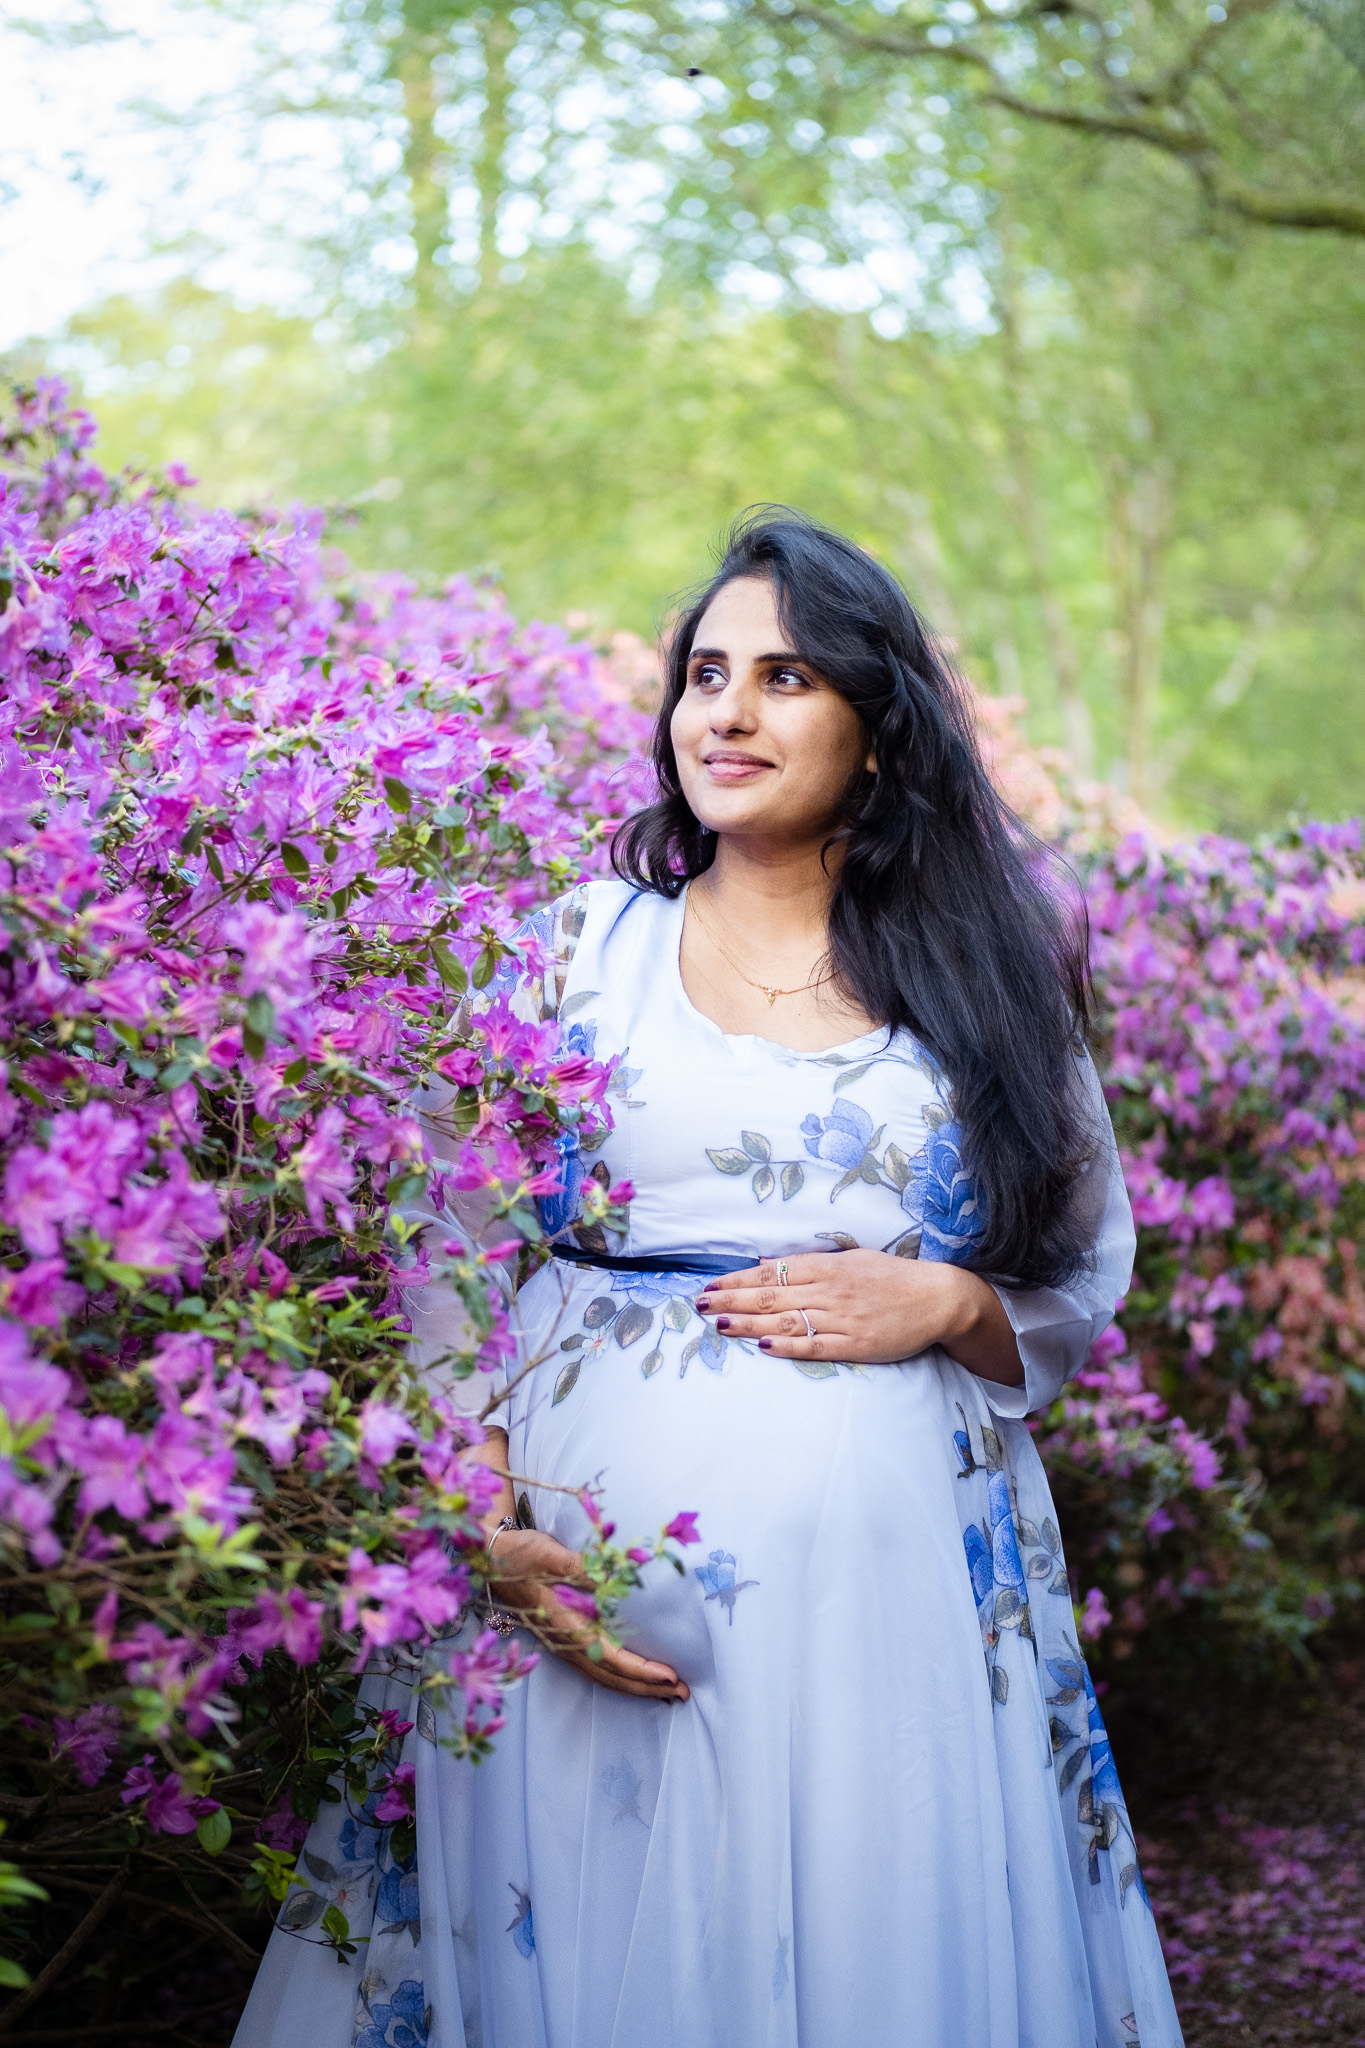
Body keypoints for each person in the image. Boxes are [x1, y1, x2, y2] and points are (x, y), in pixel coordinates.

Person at [234, 510, 1183, 2048]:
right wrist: (485, 1522)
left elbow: (1080, 1258)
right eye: (704, 673)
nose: (726, 713)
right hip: (565, 1609)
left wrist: (947, 1304)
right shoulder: (563, 956)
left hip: (890, 1612)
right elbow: (449, 1243)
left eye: (787, 676)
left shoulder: (981, 975)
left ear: (876, 733)